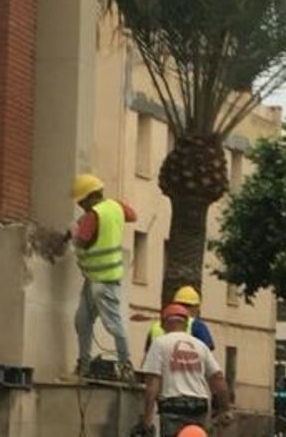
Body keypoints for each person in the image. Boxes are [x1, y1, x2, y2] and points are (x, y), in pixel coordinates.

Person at [68, 172, 137, 380]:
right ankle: (84, 365)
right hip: (96, 279)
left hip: (103, 281)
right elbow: (132, 215)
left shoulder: (92, 215)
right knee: (82, 320)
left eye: (81, 201)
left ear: (90, 197)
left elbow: (82, 241)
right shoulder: (115, 206)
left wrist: (73, 231)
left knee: (113, 324)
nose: (80, 205)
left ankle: (125, 365)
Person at [139, 303, 233, 435]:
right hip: (200, 407)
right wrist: (225, 409)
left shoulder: (159, 344)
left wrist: (147, 418)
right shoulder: (201, 346)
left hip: (172, 406)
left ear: (163, 324)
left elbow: (153, 382)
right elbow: (218, 377)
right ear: (186, 324)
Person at [144, 285, 215, 353]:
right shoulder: (197, 326)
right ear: (195, 307)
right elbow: (206, 351)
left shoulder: (155, 326)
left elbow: (148, 354)